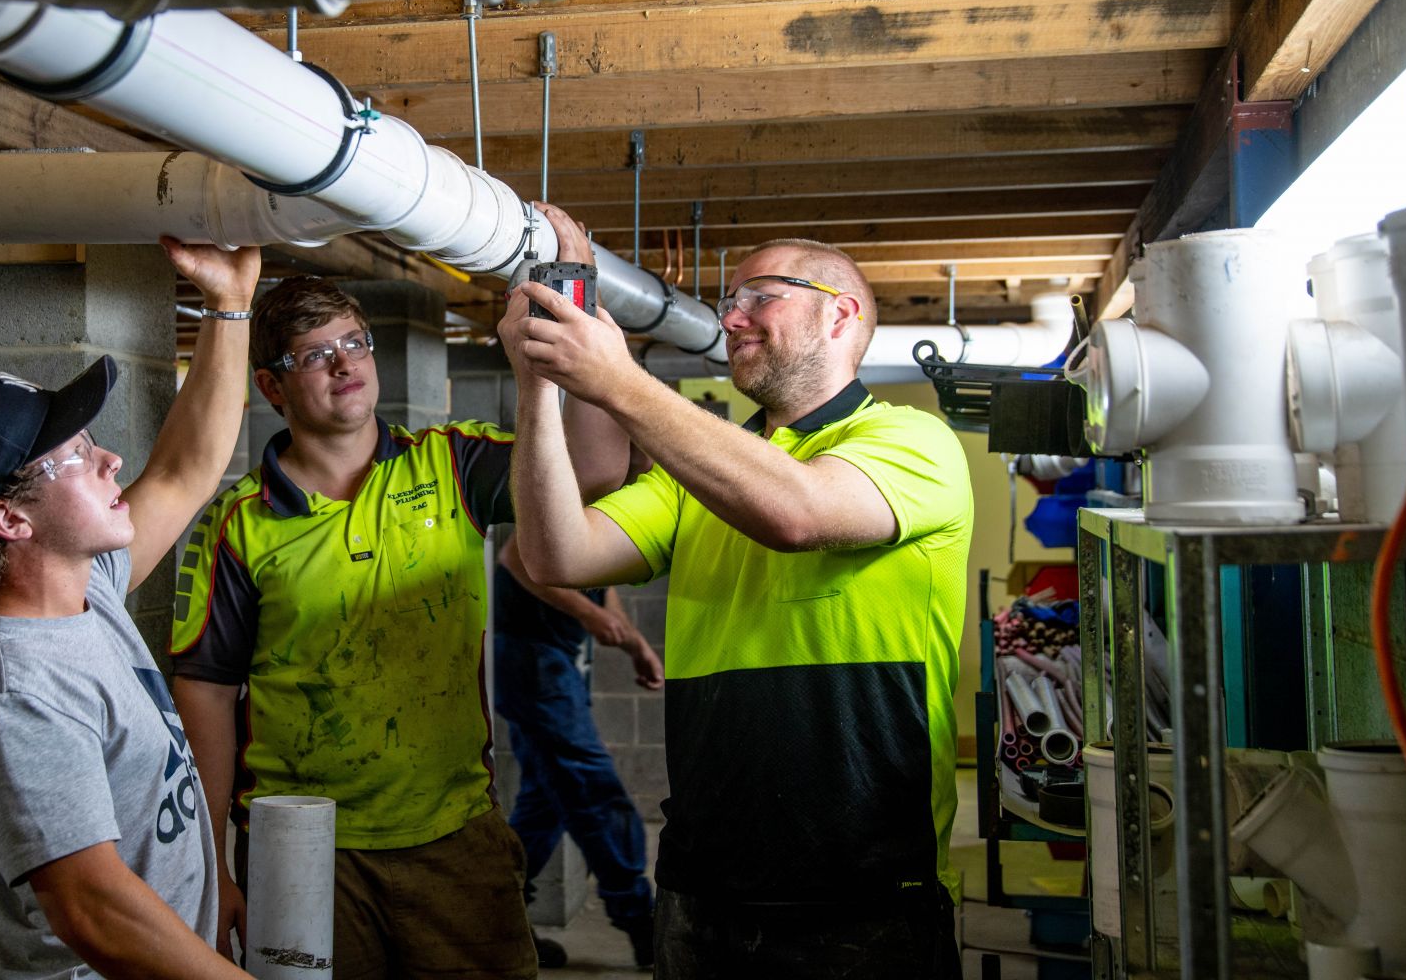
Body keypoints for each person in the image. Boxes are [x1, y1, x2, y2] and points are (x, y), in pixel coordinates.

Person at [498, 234, 973, 980]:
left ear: (840, 314)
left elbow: (797, 512)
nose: (733, 318)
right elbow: (557, 556)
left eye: (761, 295)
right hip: (702, 889)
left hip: (863, 892)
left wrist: (620, 380)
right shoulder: (699, 476)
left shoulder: (912, 441)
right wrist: (540, 386)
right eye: (728, 301)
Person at [169, 207, 625, 980]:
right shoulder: (236, 524)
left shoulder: (451, 466)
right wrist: (212, 867)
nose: (345, 365)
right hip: (301, 846)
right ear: (272, 386)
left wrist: (570, 290)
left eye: (354, 344)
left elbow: (597, 471)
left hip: (453, 833)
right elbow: (205, 697)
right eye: (315, 356)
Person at [0, 237, 260, 980]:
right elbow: (90, 905)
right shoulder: (24, 691)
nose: (110, 461)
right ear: (11, 520)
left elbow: (187, 470)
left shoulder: (85, 589)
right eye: (75, 458)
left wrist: (228, 305)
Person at [494, 534, 663, 970]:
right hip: (532, 656)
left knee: (544, 802)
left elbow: (600, 586)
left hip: (554, 657)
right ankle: (640, 919)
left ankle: (502, 921)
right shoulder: (592, 475)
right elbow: (515, 554)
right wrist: (588, 616)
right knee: (591, 782)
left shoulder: (607, 497)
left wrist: (634, 644)